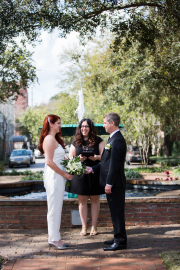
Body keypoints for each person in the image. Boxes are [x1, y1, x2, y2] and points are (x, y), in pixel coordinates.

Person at [87, 112, 127, 251]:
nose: (103, 125)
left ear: (112, 123)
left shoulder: (118, 140)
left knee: (117, 212)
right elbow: (106, 162)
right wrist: (93, 169)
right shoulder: (111, 139)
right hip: (112, 183)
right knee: (114, 212)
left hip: (116, 183)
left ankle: (121, 241)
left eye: (105, 123)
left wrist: (109, 183)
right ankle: (117, 237)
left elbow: (115, 165)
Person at [38, 114, 73, 250]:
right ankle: (53, 239)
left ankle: (56, 237)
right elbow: (49, 162)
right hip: (53, 177)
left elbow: (60, 159)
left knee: (57, 207)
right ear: (51, 124)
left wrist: (76, 163)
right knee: (53, 208)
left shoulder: (54, 139)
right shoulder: (49, 139)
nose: (60, 125)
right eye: (58, 123)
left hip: (58, 176)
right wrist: (65, 174)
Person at [65, 118, 105, 236]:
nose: (84, 128)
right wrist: (79, 159)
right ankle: (84, 227)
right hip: (80, 174)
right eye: (82, 126)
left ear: (91, 128)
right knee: (82, 202)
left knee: (95, 200)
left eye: (87, 126)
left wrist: (96, 158)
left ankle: (94, 226)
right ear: (79, 128)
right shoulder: (75, 142)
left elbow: (105, 157)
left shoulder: (99, 141)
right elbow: (70, 158)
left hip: (95, 173)